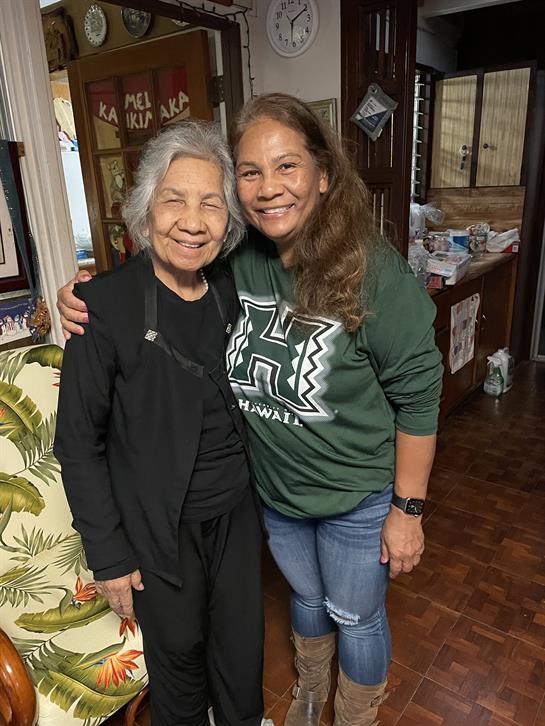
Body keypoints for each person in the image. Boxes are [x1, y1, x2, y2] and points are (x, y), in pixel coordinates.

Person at [58, 93, 443, 726]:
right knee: (270, 618)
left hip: (310, 502)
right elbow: (82, 436)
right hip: (238, 508)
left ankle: (347, 716)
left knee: (320, 627)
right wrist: (80, 294)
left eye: (287, 166)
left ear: (323, 175)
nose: (267, 189)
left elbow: (419, 392)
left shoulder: (330, 271)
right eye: (250, 172)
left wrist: (408, 508)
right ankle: (308, 695)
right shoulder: (208, 272)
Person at [53, 120, 270, 726]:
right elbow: (77, 443)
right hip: (158, 532)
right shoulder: (103, 306)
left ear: (229, 221)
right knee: (179, 670)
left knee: (242, 662)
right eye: (174, 200)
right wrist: (109, 556)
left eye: (211, 204)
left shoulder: (231, 286)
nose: (192, 221)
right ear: (146, 211)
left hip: (235, 516)